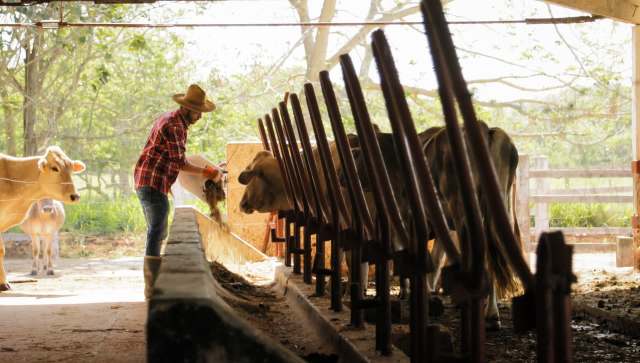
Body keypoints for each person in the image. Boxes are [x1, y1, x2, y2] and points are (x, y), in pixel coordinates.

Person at [134, 84, 222, 299]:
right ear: (188, 109)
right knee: (157, 231)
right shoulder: (176, 126)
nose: (200, 116)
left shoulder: (170, 119)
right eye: (198, 112)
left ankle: (153, 285)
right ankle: (151, 289)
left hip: (150, 180)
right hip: (152, 181)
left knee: (157, 230)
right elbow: (179, 162)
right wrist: (207, 172)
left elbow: (167, 159)